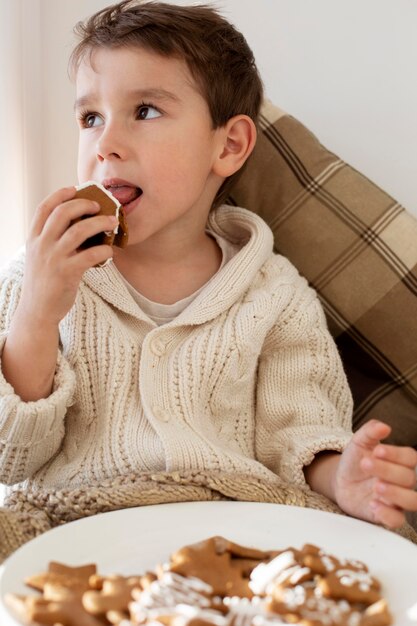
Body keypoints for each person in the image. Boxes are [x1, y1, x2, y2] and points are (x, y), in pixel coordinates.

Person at [0, 0, 416, 534]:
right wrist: (36, 313)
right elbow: (11, 461)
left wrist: (344, 479)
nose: (104, 144)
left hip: (235, 527)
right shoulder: (38, 275)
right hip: (72, 523)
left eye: (145, 110)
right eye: (90, 118)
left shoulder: (275, 296)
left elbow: (302, 437)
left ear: (230, 145)